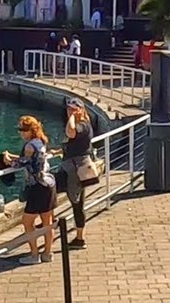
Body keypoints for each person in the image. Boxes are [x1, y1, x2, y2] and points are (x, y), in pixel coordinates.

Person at [2, 115, 55, 265]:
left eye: (23, 130)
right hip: (48, 185)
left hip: (37, 187)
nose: (20, 132)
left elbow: (23, 164)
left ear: (31, 130)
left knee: (27, 222)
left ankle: (34, 254)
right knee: (47, 221)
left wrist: (8, 160)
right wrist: (14, 157)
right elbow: (31, 159)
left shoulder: (29, 146)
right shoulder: (41, 142)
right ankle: (48, 253)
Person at [57, 98, 94, 249]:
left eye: (73, 109)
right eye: (68, 109)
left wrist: (73, 117)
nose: (69, 112)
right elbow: (76, 144)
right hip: (72, 165)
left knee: (77, 201)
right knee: (75, 201)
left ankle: (80, 238)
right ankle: (78, 236)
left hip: (76, 168)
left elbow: (71, 133)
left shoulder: (83, 125)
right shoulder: (83, 125)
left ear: (81, 110)